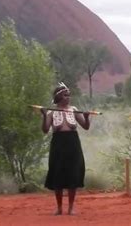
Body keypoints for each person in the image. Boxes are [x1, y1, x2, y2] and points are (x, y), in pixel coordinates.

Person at [40, 82, 90, 215]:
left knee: (73, 175)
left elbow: (85, 126)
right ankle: (59, 207)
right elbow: (45, 130)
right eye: (65, 95)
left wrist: (86, 117)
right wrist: (44, 115)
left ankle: (71, 207)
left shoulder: (73, 110)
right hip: (58, 146)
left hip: (73, 145)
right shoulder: (51, 112)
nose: (68, 97)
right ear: (58, 97)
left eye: (69, 95)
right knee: (58, 175)